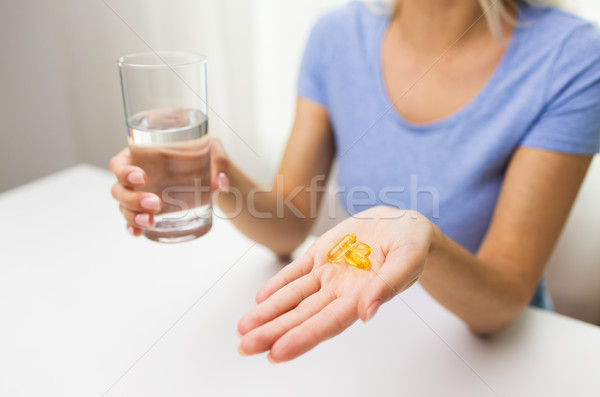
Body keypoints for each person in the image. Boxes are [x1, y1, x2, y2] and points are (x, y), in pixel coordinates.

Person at [109, 0, 600, 363]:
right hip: (364, 335)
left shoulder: (573, 57)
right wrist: (219, 176)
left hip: (495, 352)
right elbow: (289, 222)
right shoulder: (336, 36)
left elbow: (504, 303)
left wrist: (423, 242)